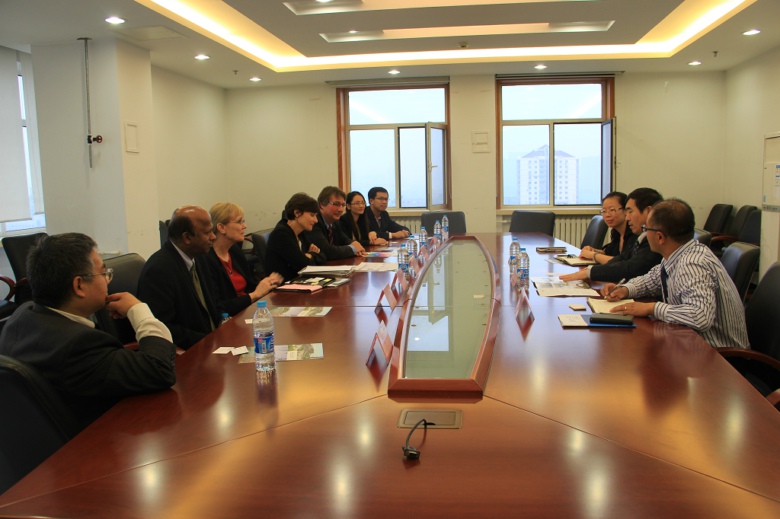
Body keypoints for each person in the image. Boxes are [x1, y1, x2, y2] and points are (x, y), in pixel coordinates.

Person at [0, 233, 176, 429]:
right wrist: (139, 310)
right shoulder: (79, 346)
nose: (107, 280)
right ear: (79, 285)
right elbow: (160, 370)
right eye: (103, 273)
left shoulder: (21, 315)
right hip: (96, 439)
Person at [601, 199, 748, 350]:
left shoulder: (693, 264)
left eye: (646, 229)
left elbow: (700, 317)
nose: (644, 234)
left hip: (718, 354)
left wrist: (652, 308)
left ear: (660, 237)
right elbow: (651, 280)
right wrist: (625, 289)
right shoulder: (677, 254)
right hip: (689, 343)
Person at [138, 206, 221, 350]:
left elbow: (213, 303)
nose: (213, 237)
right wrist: (208, 341)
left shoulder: (199, 257)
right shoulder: (159, 270)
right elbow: (163, 328)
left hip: (213, 342)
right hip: (191, 350)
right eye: (207, 232)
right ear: (187, 237)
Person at [560, 187, 663, 283]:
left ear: (649, 211)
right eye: (604, 211)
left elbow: (631, 268)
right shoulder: (640, 236)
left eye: (630, 212)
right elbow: (622, 258)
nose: (627, 217)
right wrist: (592, 270)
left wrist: (592, 268)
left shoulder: (652, 238)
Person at [204, 202, 283, 317]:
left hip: (247, 311)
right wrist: (254, 295)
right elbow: (219, 307)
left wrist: (268, 284)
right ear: (221, 228)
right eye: (239, 221)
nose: (244, 226)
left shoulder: (234, 251)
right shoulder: (207, 260)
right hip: (230, 318)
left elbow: (249, 284)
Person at [264, 193, 326, 281]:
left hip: (298, 281)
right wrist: (311, 255)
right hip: (283, 286)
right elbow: (304, 265)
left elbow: (323, 255)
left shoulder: (300, 232)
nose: (316, 220)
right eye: (312, 215)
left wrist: (310, 255)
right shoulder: (281, 234)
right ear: (297, 213)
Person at [302, 186, 366, 260]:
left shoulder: (335, 221)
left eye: (343, 205)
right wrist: (353, 249)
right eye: (336, 204)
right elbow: (328, 251)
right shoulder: (314, 222)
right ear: (322, 204)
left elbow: (344, 240)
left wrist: (353, 243)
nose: (341, 209)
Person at [579, 191, 636, 265]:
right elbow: (609, 253)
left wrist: (593, 255)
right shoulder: (616, 232)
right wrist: (592, 250)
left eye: (612, 210)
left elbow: (623, 262)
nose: (607, 215)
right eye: (604, 211)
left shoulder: (634, 232)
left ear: (625, 210)